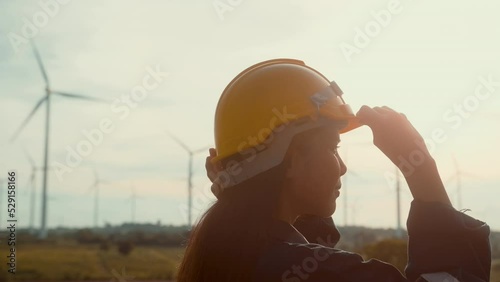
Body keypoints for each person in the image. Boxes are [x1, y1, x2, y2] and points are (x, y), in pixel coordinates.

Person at [177, 59, 491, 281]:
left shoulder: (223, 253)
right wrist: (420, 167)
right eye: (333, 147)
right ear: (293, 158)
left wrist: (243, 186)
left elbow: (305, 251)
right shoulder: (320, 272)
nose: (342, 168)